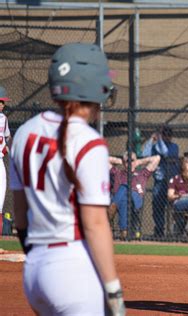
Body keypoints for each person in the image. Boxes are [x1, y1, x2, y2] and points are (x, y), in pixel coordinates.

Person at [9, 43, 125, 315]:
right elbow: (95, 224)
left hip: (34, 270)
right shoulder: (89, 141)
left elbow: (21, 215)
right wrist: (113, 291)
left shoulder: (24, 131)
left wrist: (39, 260)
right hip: (72, 268)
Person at [109, 151, 160, 240]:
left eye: (131, 160)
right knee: (124, 195)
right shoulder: (117, 173)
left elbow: (157, 158)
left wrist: (139, 162)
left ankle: (111, 212)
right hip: (121, 201)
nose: (129, 163)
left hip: (136, 201)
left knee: (125, 187)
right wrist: (120, 161)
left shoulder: (141, 174)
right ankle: (124, 233)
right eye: (127, 161)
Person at [142, 126, 179, 238]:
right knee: (158, 207)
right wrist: (151, 140)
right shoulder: (155, 146)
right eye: (164, 135)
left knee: (175, 208)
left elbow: (165, 152)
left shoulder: (174, 146)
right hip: (159, 181)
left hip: (171, 182)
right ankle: (159, 231)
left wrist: (160, 140)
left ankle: (175, 232)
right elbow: (144, 155)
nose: (167, 137)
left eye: (169, 135)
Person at [0, 86, 11, 236]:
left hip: (0, 159)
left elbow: (7, 136)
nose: (1, 104)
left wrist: (6, 147)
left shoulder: (3, 118)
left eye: (3, 102)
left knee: (2, 187)